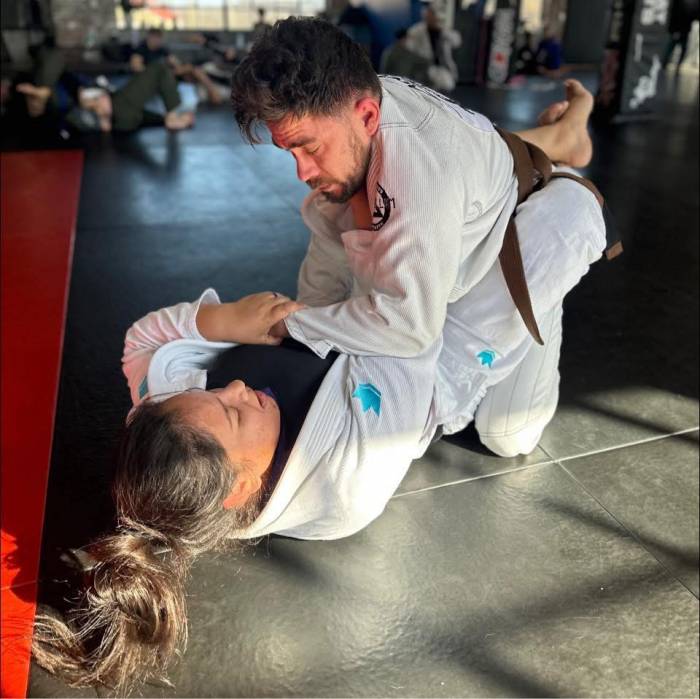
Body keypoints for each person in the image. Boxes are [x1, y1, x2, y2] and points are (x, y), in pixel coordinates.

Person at [30, 93, 608, 691]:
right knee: (560, 240)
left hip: (337, 320)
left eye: (216, 393)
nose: (236, 387)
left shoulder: (170, 425)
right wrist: (302, 313)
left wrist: (227, 321)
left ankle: (547, 149)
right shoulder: (344, 487)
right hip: (440, 358)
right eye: (235, 414)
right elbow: (408, 336)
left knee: (363, 184)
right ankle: (555, 183)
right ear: (242, 488)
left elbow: (142, 342)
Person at [5, 43, 195, 132]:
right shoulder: (55, 108)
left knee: (130, 112)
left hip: (117, 109)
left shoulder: (54, 78)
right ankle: (171, 115)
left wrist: (45, 89)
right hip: (110, 111)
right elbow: (71, 120)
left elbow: (55, 57)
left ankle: (167, 120)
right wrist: (94, 110)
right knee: (159, 69)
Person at [130, 27, 225, 105]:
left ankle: (213, 91)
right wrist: (157, 73)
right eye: (155, 38)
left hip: (168, 74)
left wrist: (180, 68)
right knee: (191, 70)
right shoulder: (141, 49)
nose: (157, 41)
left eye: (159, 38)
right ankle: (213, 93)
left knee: (193, 70)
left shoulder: (162, 49)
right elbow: (137, 67)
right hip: (155, 77)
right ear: (150, 37)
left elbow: (175, 62)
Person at [404, 3, 462, 91]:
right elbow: (409, 48)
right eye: (429, 15)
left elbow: (457, 42)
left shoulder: (442, 29)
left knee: (447, 85)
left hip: (442, 66)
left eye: (433, 15)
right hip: (424, 66)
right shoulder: (416, 30)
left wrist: (442, 32)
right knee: (432, 85)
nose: (432, 17)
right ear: (425, 17)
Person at [380, 28, 454, 93]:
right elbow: (384, 69)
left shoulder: (396, 52)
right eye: (405, 39)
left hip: (400, 83)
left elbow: (423, 61)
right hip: (399, 83)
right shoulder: (395, 53)